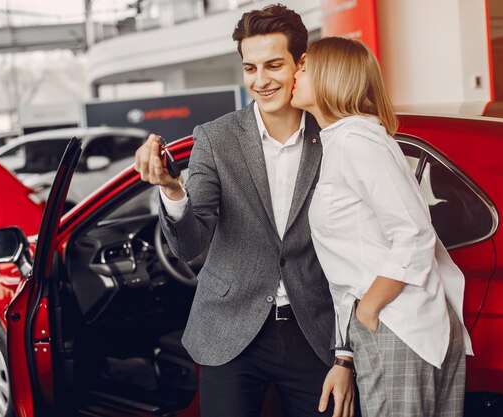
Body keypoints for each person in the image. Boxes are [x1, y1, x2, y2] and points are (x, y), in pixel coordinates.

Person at [135, 5, 355, 417]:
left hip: (316, 328)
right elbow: (190, 243)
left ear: (300, 64)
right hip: (229, 330)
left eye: (273, 65)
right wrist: (170, 186)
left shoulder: (334, 135)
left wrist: (345, 355)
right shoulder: (216, 139)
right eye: (250, 68)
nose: (261, 80)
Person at [291, 36, 474, 417]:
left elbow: (413, 233)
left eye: (304, 68)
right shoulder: (348, 140)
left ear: (331, 77)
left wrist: (368, 310)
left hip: (397, 324)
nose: (294, 73)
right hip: (400, 322)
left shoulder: (356, 141)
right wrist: (346, 349)